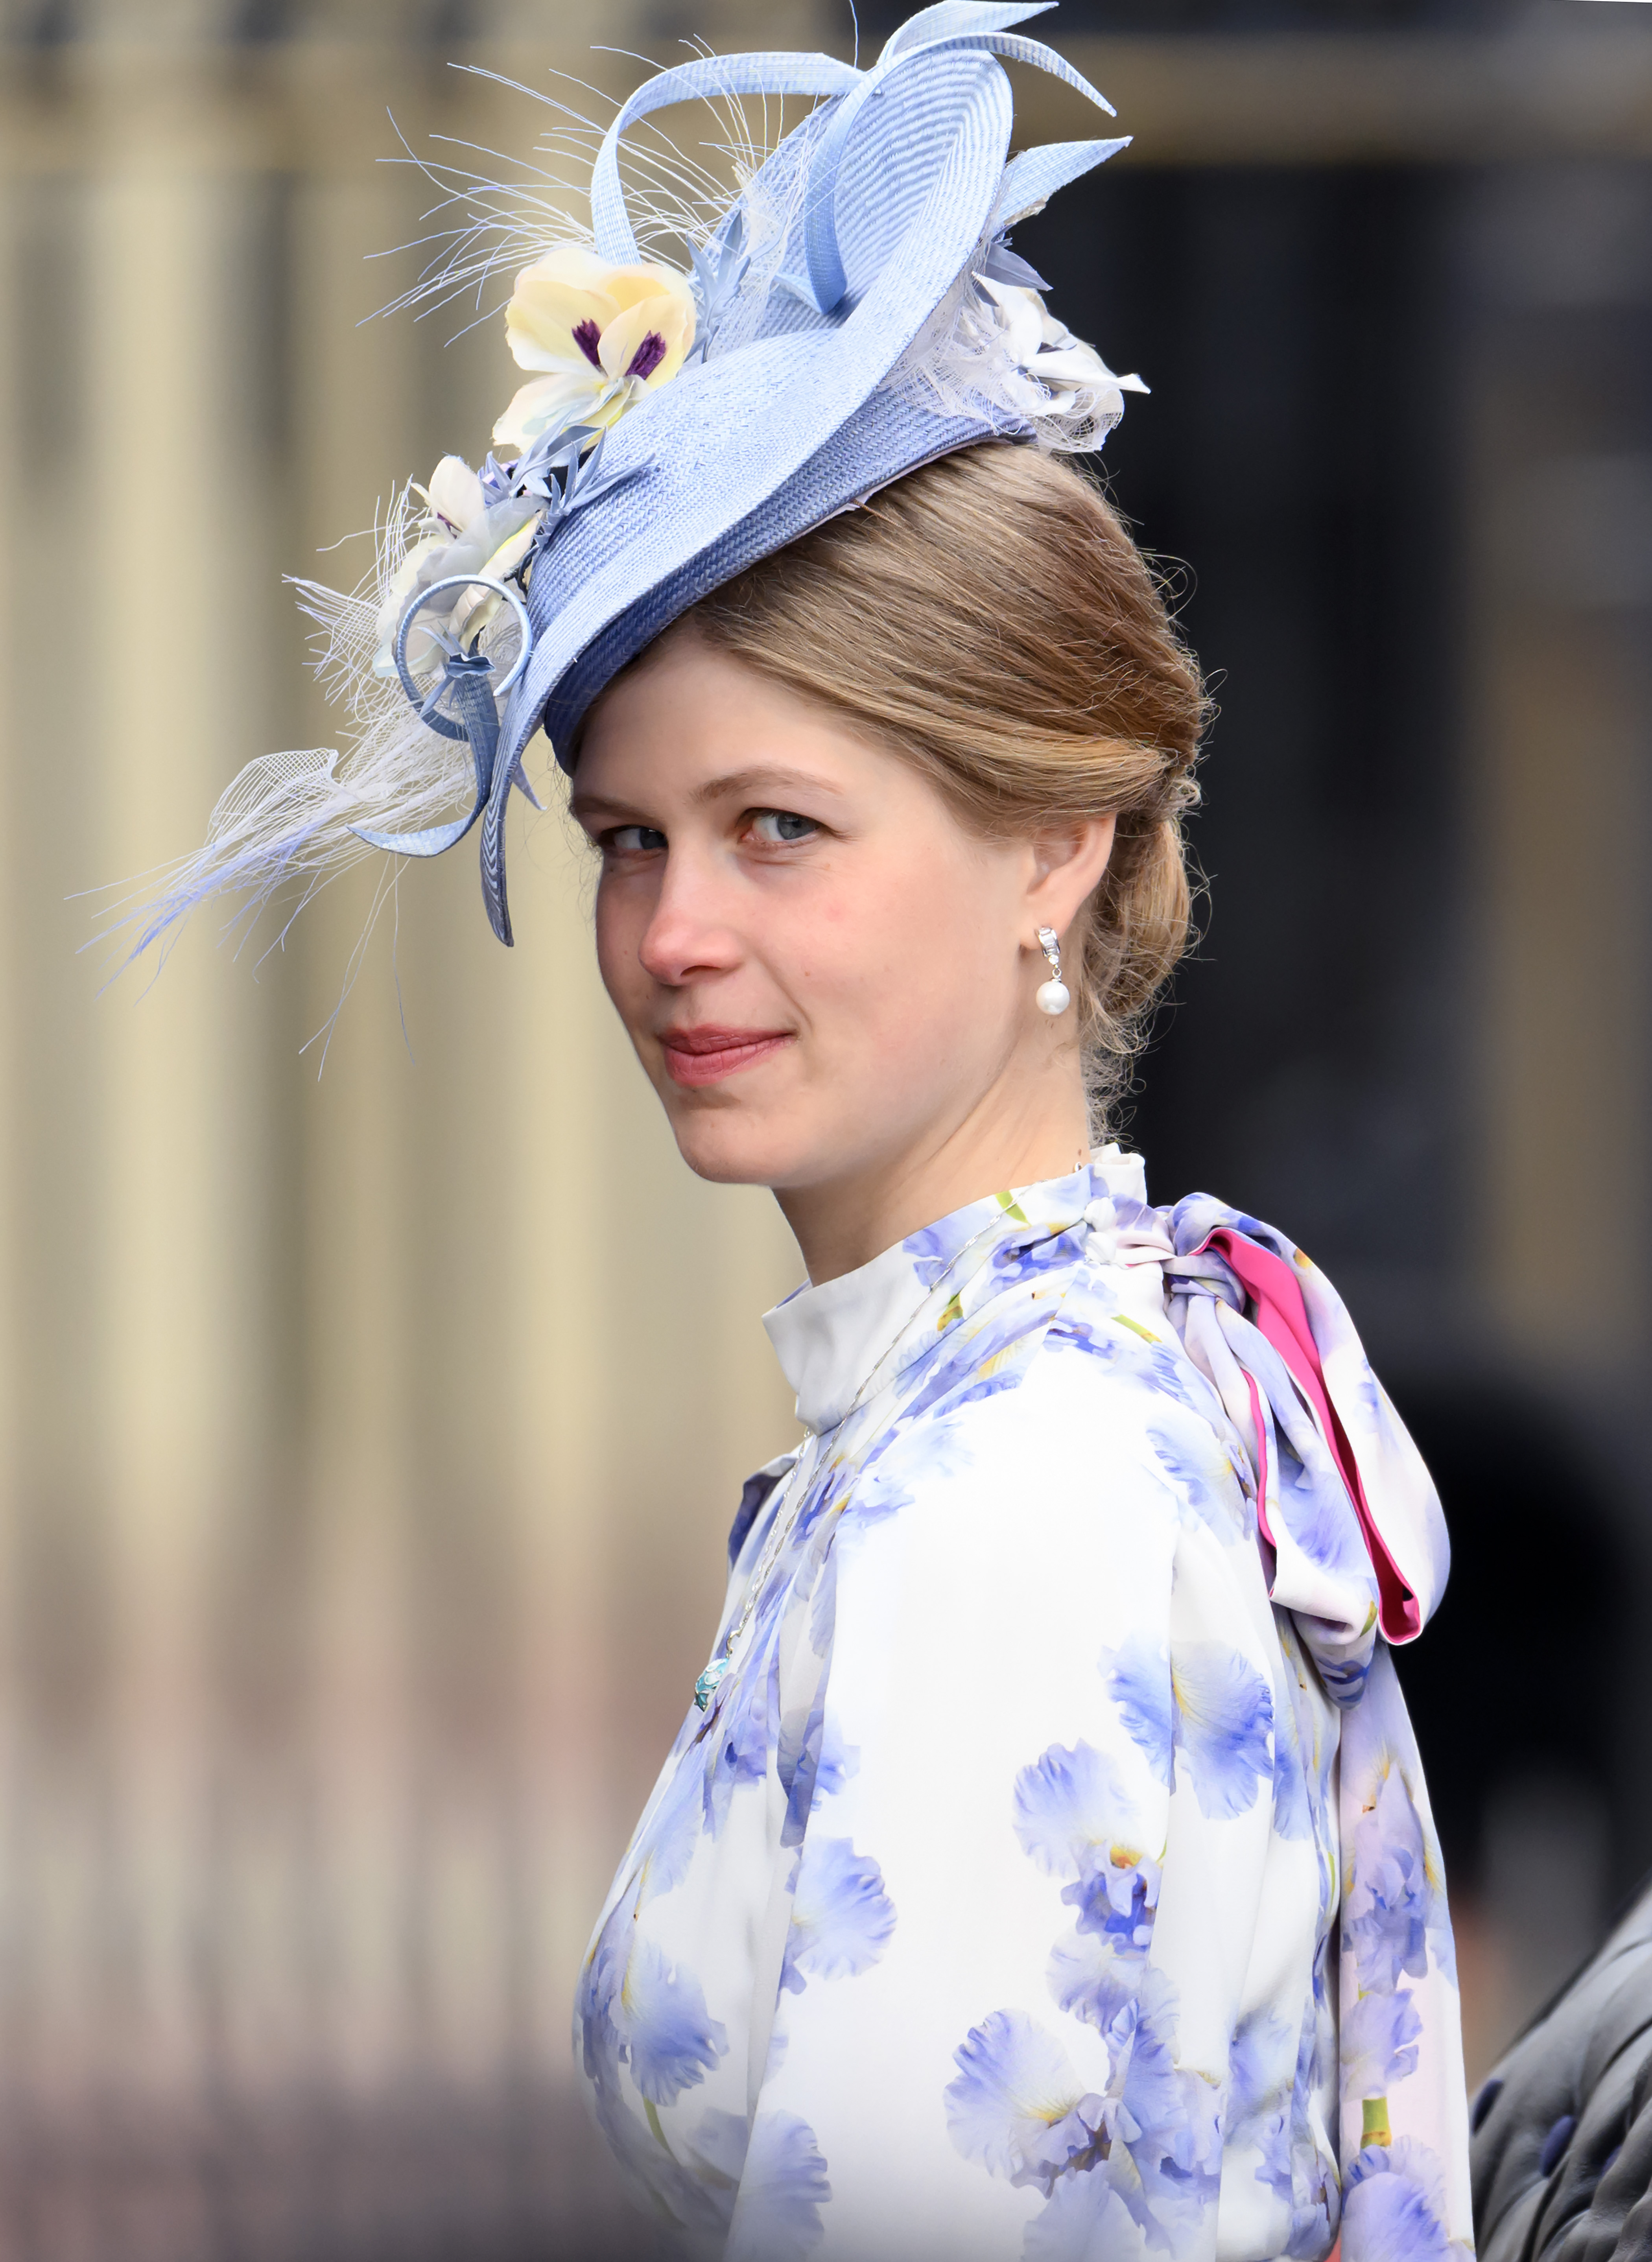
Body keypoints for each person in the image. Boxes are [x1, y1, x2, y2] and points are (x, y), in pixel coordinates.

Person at [122, 7, 1473, 2255]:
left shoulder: (1003, 1493)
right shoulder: (1047, 1398)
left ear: (1052, 845)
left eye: (777, 829)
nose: (673, 933)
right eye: (628, 839)